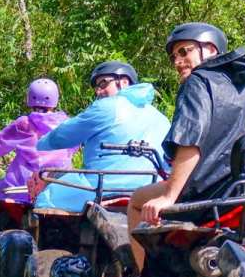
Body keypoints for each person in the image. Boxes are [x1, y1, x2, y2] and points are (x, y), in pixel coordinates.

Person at [127, 23, 245, 270]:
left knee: (136, 201)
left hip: (212, 196)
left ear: (211, 50)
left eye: (185, 51)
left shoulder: (198, 81)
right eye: (174, 56)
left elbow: (190, 140)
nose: (177, 61)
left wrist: (168, 196)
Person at [33, 61, 171, 213]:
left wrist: (39, 144)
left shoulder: (107, 107)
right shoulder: (161, 118)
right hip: (151, 189)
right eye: (97, 87)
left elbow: (62, 136)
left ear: (124, 82)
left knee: (44, 200)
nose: (99, 91)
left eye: (104, 83)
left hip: (101, 187)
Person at [0, 77, 76, 222]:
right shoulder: (66, 123)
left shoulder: (24, 124)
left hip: (24, 185)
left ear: (29, 98)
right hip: (59, 183)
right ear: (55, 99)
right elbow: (73, 147)